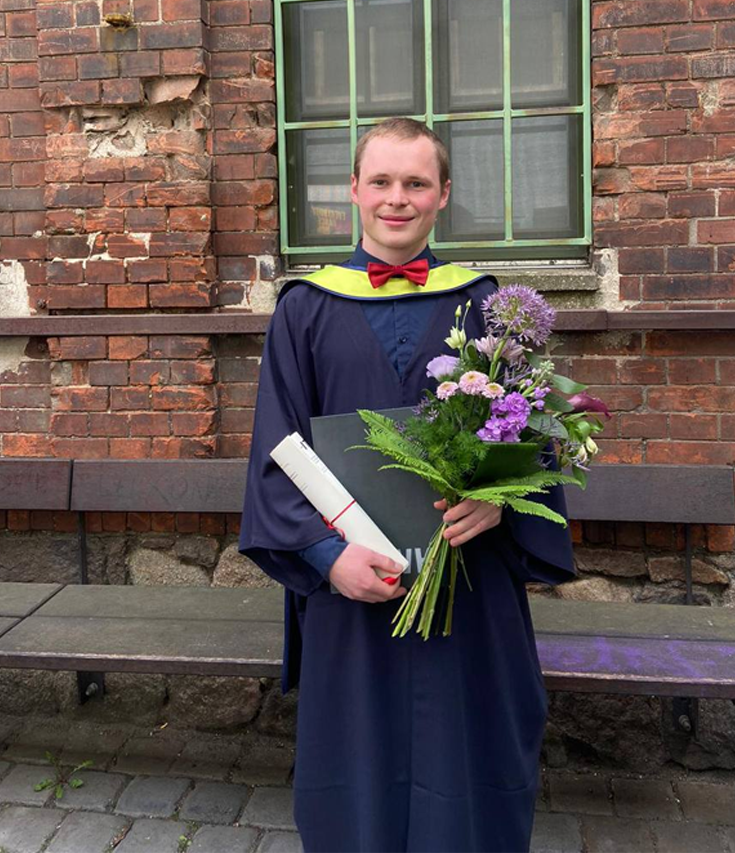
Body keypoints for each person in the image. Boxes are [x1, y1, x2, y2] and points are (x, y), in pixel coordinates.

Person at [239, 117, 576, 853]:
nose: (398, 198)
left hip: (471, 591)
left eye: (416, 183)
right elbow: (277, 455)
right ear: (354, 191)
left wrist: (500, 501)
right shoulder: (304, 309)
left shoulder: (489, 307)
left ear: (444, 194)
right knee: (358, 770)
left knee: (471, 763)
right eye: (382, 182)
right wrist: (329, 560)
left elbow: (535, 440)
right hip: (355, 593)